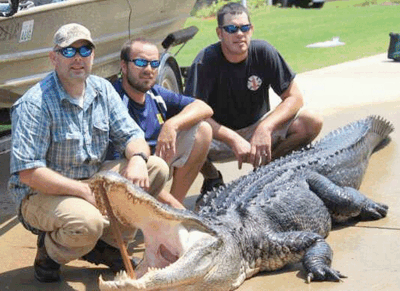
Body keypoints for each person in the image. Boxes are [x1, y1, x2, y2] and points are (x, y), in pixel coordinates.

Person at [7, 23, 175, 283]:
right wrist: (82, 192)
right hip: (40, 192)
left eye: (85, 50)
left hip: (90, 178)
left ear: (93, 56)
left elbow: (133, 136)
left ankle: (107, 246)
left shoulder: (102, 90)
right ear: (53, 58)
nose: (78, 58)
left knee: (156, 169)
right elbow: (29, 172)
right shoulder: (35, 103)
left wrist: (139, 159)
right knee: (87, 223)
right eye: (68, 51)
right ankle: (49, 255)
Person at [185, 2, 323, 194]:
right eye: (231, 29)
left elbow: (295, 97)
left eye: (244, 28)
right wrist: (232, 138)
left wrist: (265, 128)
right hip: (219, 136)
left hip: (258, 127)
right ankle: (212, 178)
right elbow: (194, 113)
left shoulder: (264, 52)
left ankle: (266, 167)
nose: (239, 34)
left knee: (312, 120)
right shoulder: (205, 61)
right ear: (219, 33)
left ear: (251, 29)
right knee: (183, 135)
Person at [110, 39, 213, 204]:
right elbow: (117, 164)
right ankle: (170, 208)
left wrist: (172, 125)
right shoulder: (114, 101)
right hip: (129, 171)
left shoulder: (155, 94)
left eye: (154, 63)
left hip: (157, 162)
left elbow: (204, 108)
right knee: (154, 165)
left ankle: (170, 208)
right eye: (141, 62)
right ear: (124, 66)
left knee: (203, 130)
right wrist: (175, 205)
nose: (149, 69)